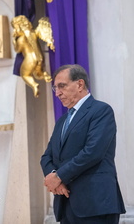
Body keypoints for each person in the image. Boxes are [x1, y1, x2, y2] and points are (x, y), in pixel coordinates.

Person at [41, 64, 126, 223]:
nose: (58, 93)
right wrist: (54, 178)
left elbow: (92, 152)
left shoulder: (101, 111)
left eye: (62, 86)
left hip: (95, 203)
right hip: (65, 202)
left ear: (79, 84)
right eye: (55, 88)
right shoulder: (62, 120)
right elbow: (47, 156)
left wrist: (59, 176)